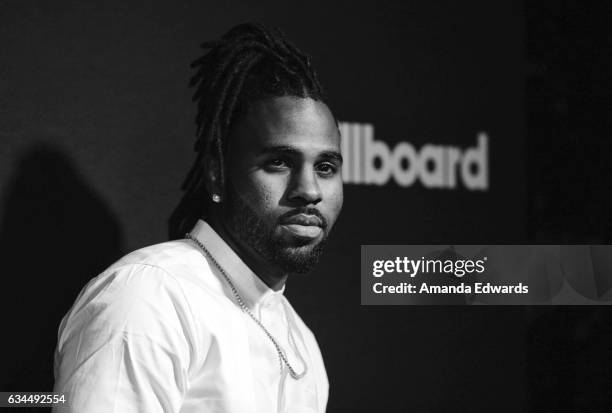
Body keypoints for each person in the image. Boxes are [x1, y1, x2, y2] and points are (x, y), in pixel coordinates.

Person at [52, 23, 343, 413]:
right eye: (279, 162)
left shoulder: (300, 339)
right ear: (217, 174)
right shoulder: (149, 297)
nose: (309, 189)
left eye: (325, 166)